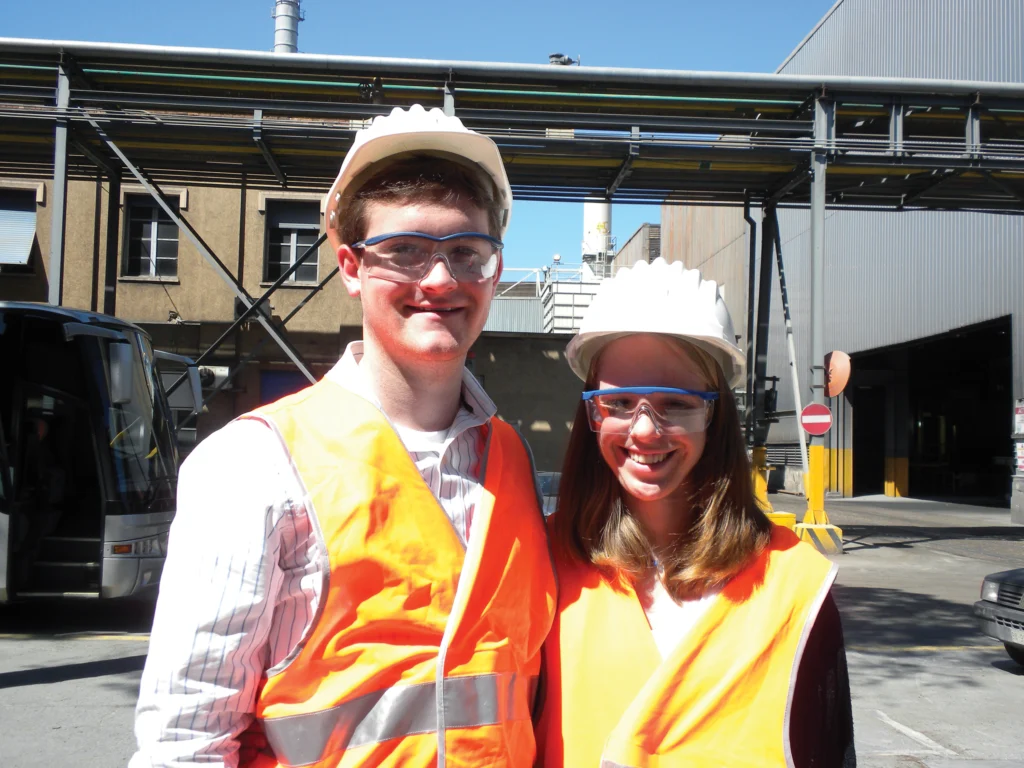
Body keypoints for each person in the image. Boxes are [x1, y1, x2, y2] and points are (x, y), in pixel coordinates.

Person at [130, 105, 557, 768]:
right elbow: (186, 736)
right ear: (352, 267)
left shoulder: (512, 460)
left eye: (466, 253)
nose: (440, 280)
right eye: (406, 252)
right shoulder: (254, 463)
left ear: (494, 271)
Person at [534, 258, 855, 767]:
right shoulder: (540, 563)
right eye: (618, 403)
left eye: (677, 403)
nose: (643, 431)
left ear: (715, 414)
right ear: (591, 412)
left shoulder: (796, 585)